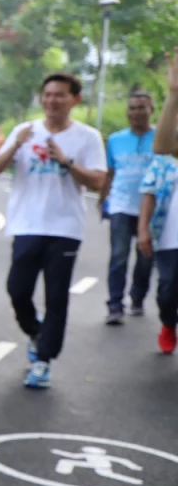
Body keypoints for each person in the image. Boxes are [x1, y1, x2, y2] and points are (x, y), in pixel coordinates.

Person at [0, 73, 107, 389]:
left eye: (60, 95)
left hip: (65, 227)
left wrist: (67, 162)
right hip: (27, 224)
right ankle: (35, 331)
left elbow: (97, 181)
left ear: (75, 100)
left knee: (56, 298)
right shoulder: (25, 131)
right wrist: (16, 143)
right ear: (42, 98)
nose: (52, 100)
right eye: (48, 94)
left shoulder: (87, 137)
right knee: (17, 289)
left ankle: (43, 361)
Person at [99, 88, 156, 324]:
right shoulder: (115, 139)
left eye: (142, 107)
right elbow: (109, 173)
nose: (136, 112)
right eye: (132, 108)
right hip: (121, 205)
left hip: (153, 208)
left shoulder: (164, 137)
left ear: (151, 110)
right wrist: (103, 199)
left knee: (146, 259)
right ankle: (114, 304)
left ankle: (137, 297)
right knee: (119, 256)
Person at [136, 149, 178, 354]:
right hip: (169, 237)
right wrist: (143, 229)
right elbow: (149, 195)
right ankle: (169, 323)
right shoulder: (163, 162)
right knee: (168, 288)